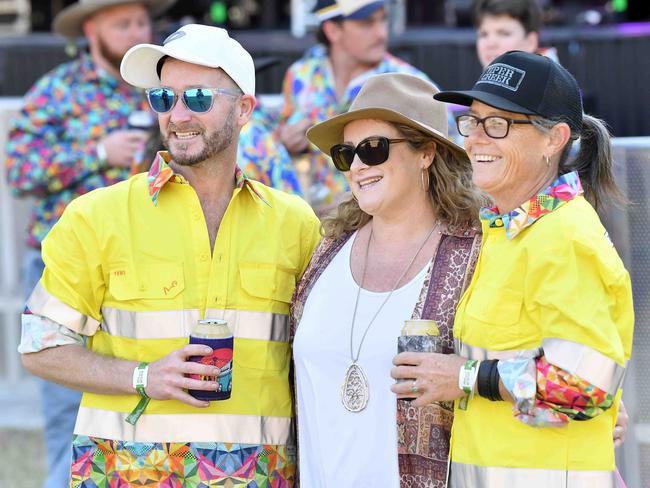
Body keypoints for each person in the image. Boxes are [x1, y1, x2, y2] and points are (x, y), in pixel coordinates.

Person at [18, 23, 321, 485]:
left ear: (243, 110)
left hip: (260, 477)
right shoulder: (96, 215)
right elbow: (40, 348)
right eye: (163, 98)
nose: (177, 114)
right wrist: (143, 377)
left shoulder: (295, 224)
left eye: (197, 97)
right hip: (126, 476)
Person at [390, 51, 633, 486]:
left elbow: (583, 385)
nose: (475, 140)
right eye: (473, 120)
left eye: (498, 124)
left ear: (553, 138)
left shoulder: (564, 236)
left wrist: (464, 376)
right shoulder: (507, 230)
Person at [5, 1, 174, 487]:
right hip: (66, 271)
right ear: (91, 30)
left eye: (142, 21)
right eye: (123, 24)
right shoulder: (57, 90)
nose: (137, 31)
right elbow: (18, 169)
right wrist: (97, 153)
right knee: (67, 409)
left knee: (143, 401)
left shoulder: (163, 91)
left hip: (147, 269)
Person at [290, 72, 484, 487]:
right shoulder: (325, 252)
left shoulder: (476, 255)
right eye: (346, 154)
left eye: (374, 149)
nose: (358, 165)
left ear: (426, 153)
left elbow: (524, 363)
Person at [278, 0, 434, 212]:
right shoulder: (300, 75)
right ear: (333, 30)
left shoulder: (406, 81)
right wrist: (286, 142)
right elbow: (280, 138)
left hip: (379, 219)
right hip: (309, 219)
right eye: (367, 23)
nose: (381, 33)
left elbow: (448, 155)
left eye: (383, 20)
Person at [473, 0, 558, 69]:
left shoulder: (553, 86)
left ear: (531, 41)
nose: (490, 44)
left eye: (504, 34)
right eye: (483, 34)